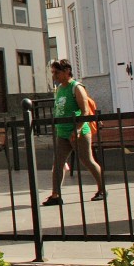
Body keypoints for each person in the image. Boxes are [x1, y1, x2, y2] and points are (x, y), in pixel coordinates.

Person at [41, 59, 105, 206]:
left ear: (66, 71)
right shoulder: (60, 89)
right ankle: (55, 195)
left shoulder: (76, 87)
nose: (54, 75)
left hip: (79, 132)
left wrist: (78, 128)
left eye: (56, 72)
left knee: (87, 160)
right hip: (63, 132)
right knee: (58, 163)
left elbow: (85, 111)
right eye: (53, 72)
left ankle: (102, 189)